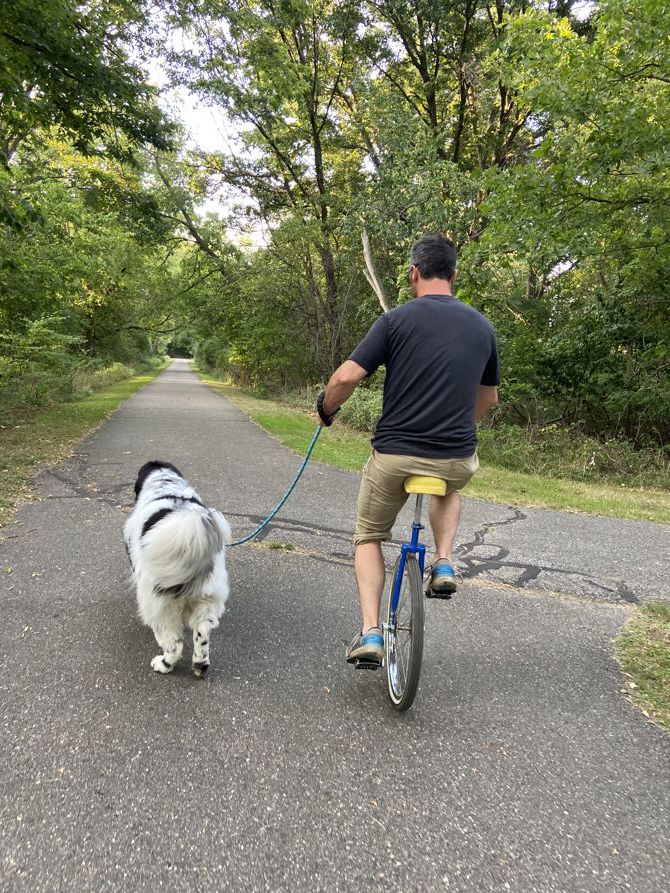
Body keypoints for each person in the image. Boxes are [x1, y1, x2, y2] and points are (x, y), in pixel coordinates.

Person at [316, 233, 500, 667]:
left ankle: (371, 633)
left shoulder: (396, 321)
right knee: (448, 486)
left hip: (395, 455)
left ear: (413, 273)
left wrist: (325, 409)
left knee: (369, 536)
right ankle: (443, 562)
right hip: (455, 455)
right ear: (454, 275)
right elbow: (488, 399)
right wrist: (457, 428)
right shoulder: (482, 327)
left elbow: (345, 378)